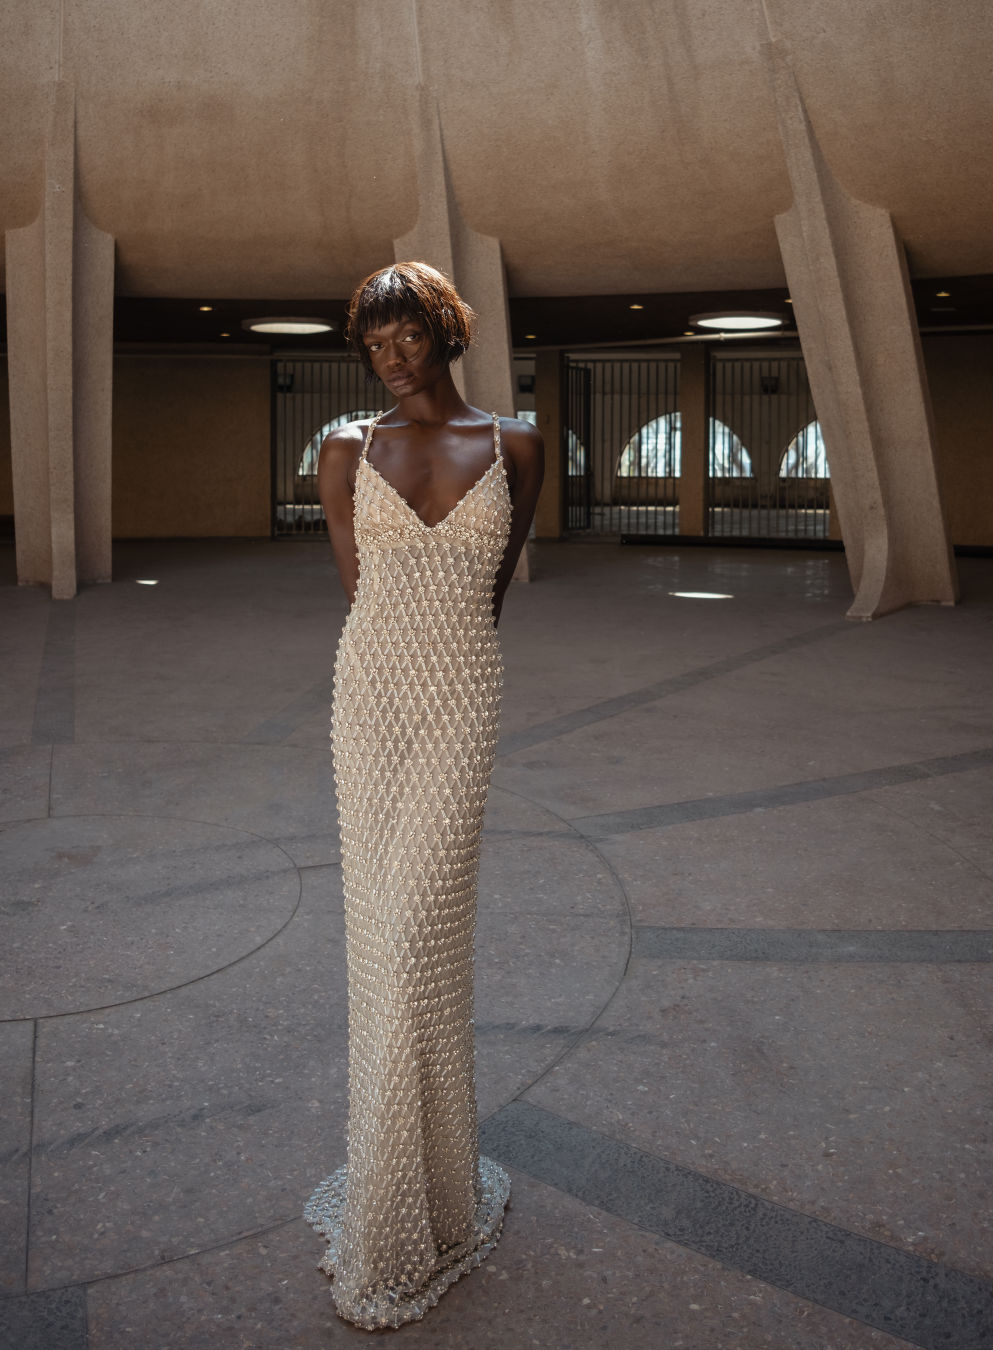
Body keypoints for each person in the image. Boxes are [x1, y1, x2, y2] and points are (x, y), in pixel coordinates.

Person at [303, 260, 544, 1329]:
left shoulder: (517, 445)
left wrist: (445, 660)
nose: (392, 359)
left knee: (419, 938)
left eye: (407, 336)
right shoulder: (346, 448)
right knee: (383, 943)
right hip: (372, 701)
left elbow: (489, 589)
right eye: (374, 345)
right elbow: (359, 586)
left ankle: (431, 1188)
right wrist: (407, 656)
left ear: (446, 332)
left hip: (461, 699)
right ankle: (406, 1191)